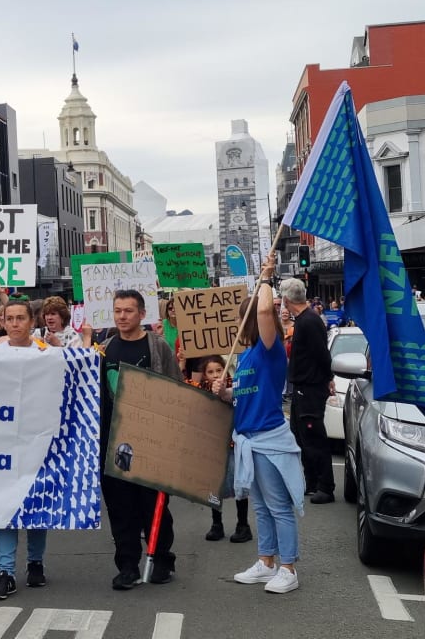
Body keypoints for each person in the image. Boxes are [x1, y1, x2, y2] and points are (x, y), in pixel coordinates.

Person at [212, 252, 305, 594]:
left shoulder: (270, 348)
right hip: (249, 438)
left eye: (241, 319)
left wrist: (266, 277)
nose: (237, 325)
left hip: (268, 438)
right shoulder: (248, 354)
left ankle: (289, 568)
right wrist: (225, 393)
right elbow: (243, 395)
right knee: (262, 506)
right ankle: (266, 562)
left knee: (279, 507)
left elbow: (266, 310)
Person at [99, 290, 183, 589]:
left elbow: (176, 391)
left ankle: (161, 559)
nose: (122, 316)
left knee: (153, 504)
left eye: (128, 311)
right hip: (113, 443)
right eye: (118, 311)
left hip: (151, 442)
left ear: (141, 314)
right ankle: (128, 565)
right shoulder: (104, 348)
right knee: (121, 509)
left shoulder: (157, 347)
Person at [0, 299, 52, 600]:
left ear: (31, 321)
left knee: (36, 505)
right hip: (2, 442)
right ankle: (6, 571)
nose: (15, 324)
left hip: (38, 439)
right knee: (6, 506)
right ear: (2, 322)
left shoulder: (47, 354)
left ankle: (35, 563)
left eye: (20, 318)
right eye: (9, 318)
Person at [184, 355, 251, 544]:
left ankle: (243, 525)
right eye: (210, 372)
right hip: (212, 445)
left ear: (225, 369)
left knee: (239, 484)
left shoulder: (235, 386)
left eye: (218, 370)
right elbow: (186, 388)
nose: (215, 375)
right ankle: (216, 524)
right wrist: (182, 364)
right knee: (214, 484)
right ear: (204, 375)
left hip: (232, 443)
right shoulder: (202, 390)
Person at [280, 277, 335, 504]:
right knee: (301, 436)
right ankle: (311, 481)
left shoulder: (309, 321)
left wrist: (328, 378)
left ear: (286, 299)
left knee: (314, 438)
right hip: (302, 387)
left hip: (311, 388)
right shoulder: (303, 320)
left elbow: (321, 354)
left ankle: (325, 486)